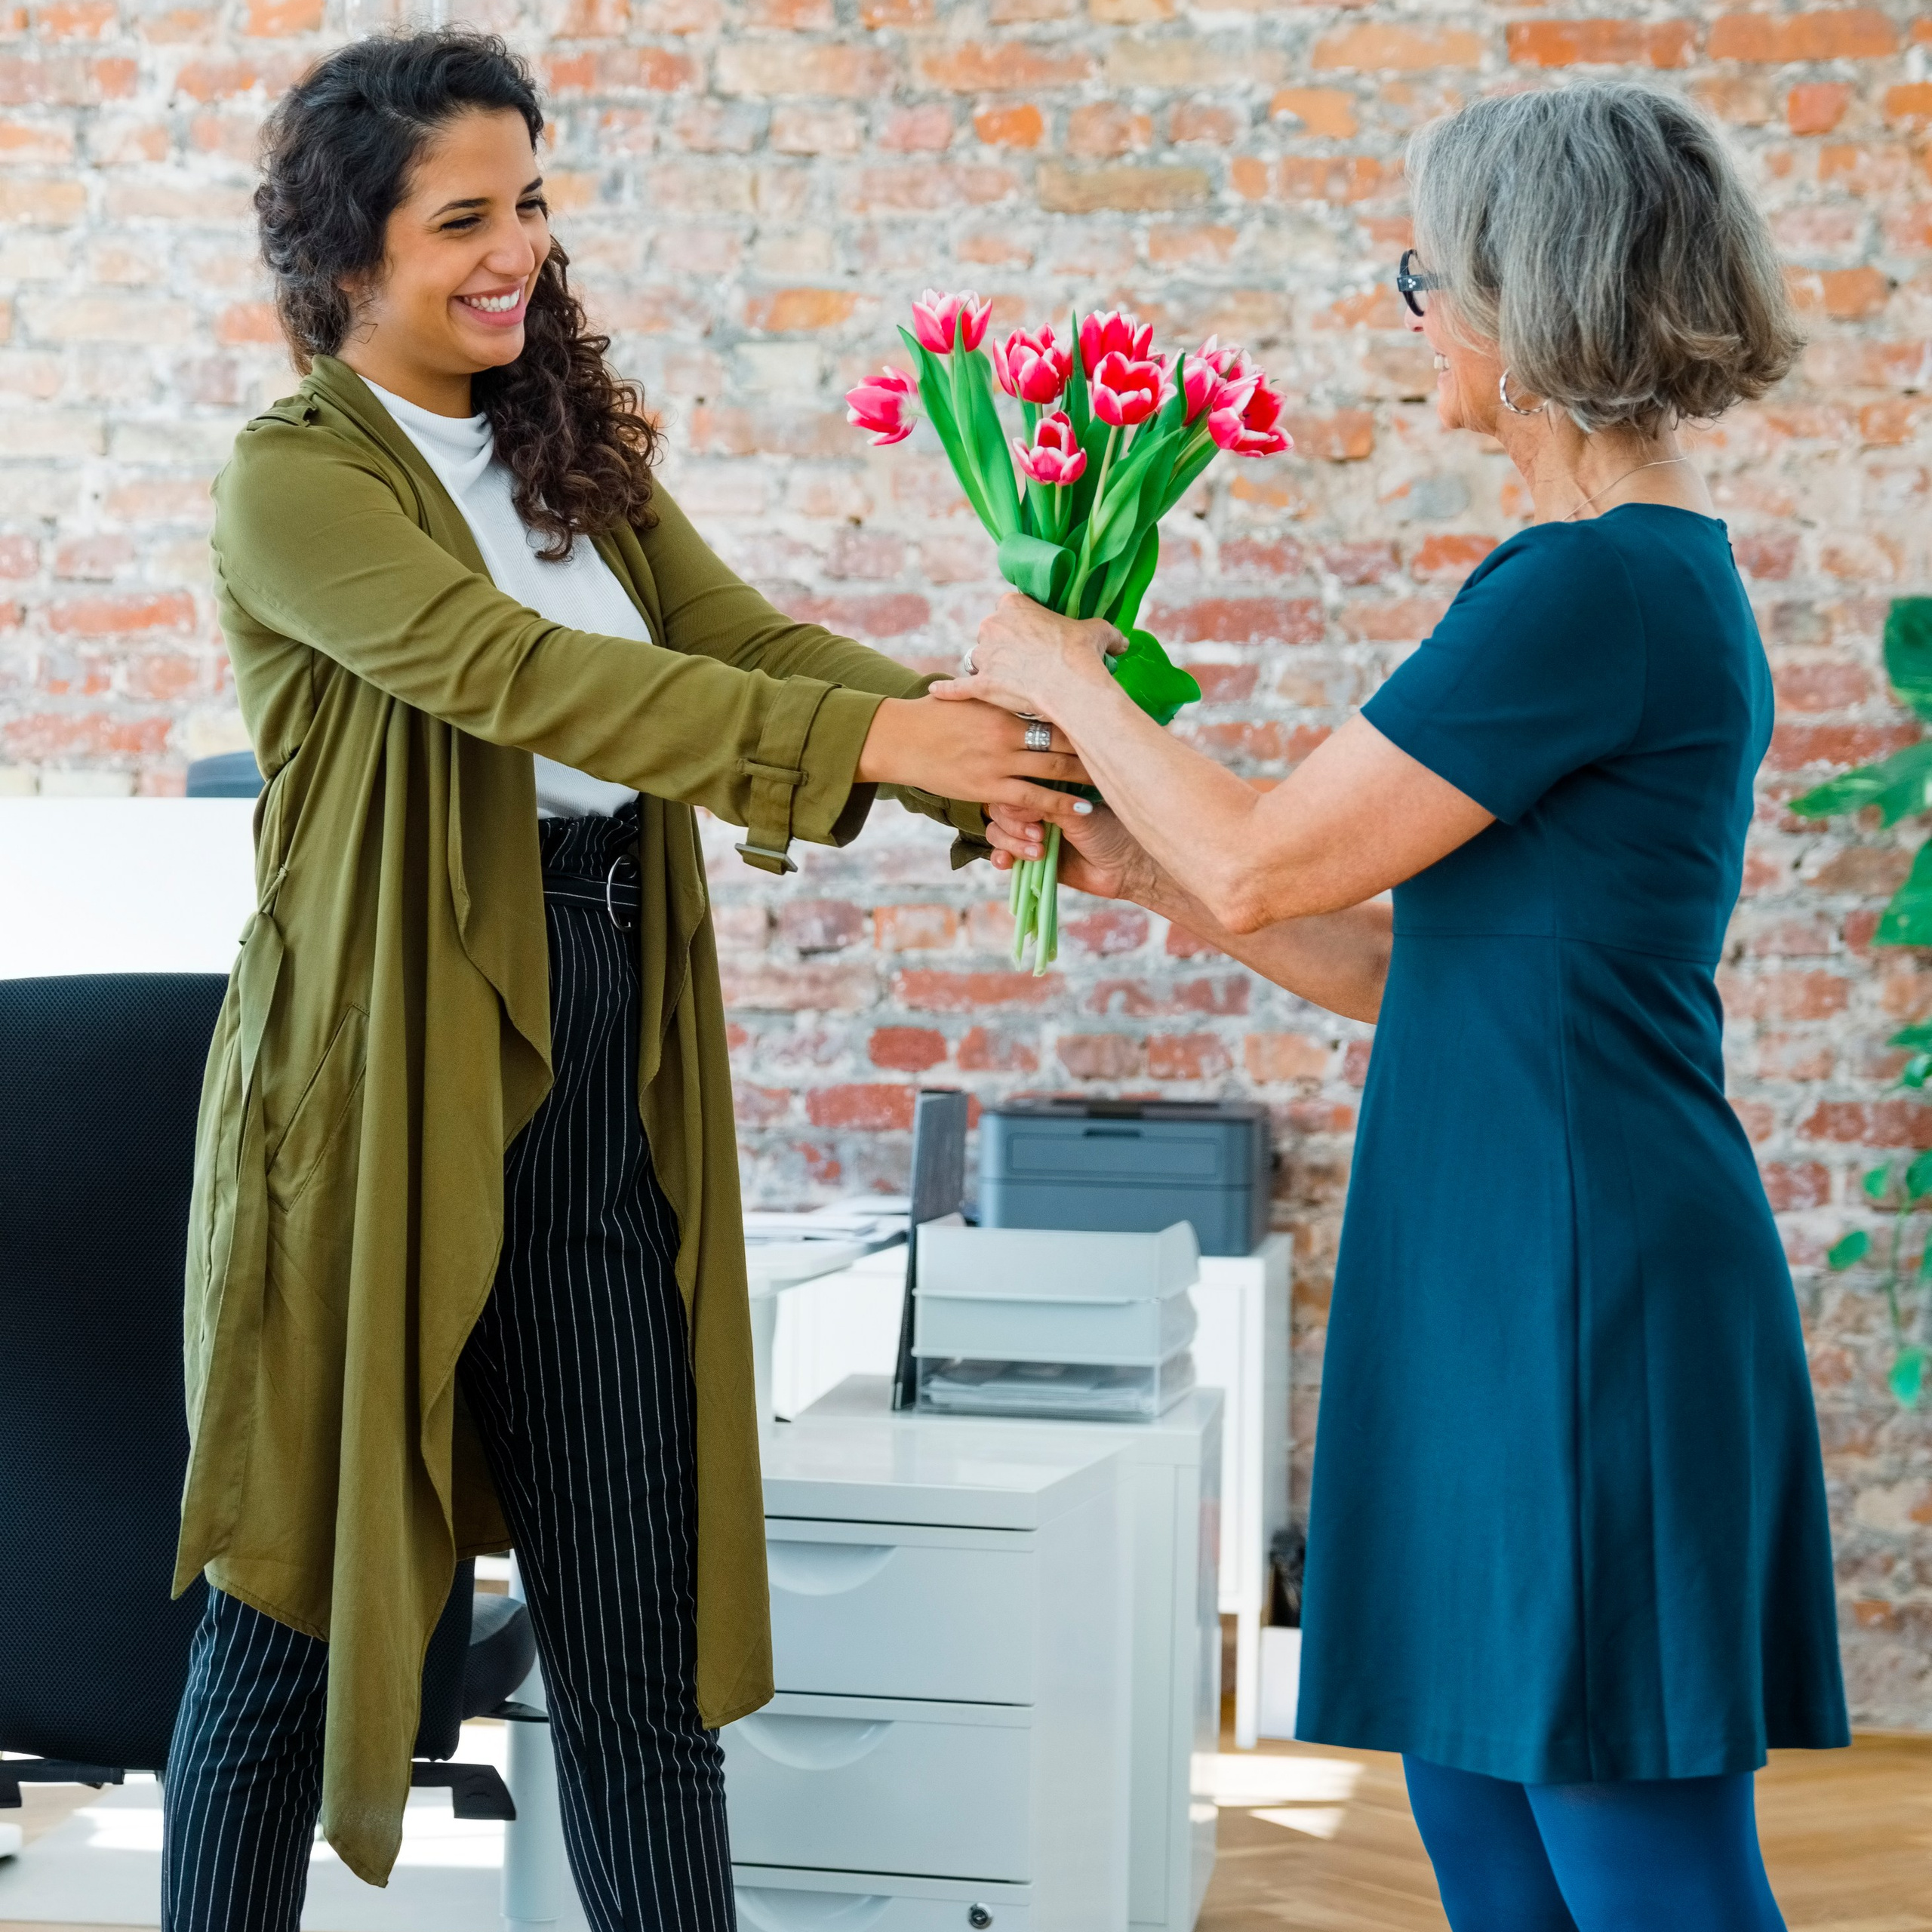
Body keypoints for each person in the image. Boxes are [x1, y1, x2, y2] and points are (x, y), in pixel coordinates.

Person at [160, 30, 1082, 1932]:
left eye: (533, 202)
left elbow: (730, 638)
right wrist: (880, 757)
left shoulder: (555, 441)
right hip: (375, 1088)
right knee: (290, 1635)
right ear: (350, 253)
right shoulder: (296, 482)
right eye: (464, 219)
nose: (515, 251)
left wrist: (958, 724)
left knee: (635, 1658)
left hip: (601, 1052)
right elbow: (524, 674)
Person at [943, 82, 1848, 1932]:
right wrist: (1151, 872)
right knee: (1479, 1820)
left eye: (1428, 274)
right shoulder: (1605, 580)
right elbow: (1397, 960)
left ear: (1538, 308)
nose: (1412, 310)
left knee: (1632, 1853)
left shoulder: (1589, 585)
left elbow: (1276, 854)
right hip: (1489, 1258)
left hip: (1577, 1282)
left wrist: (1056, 667)